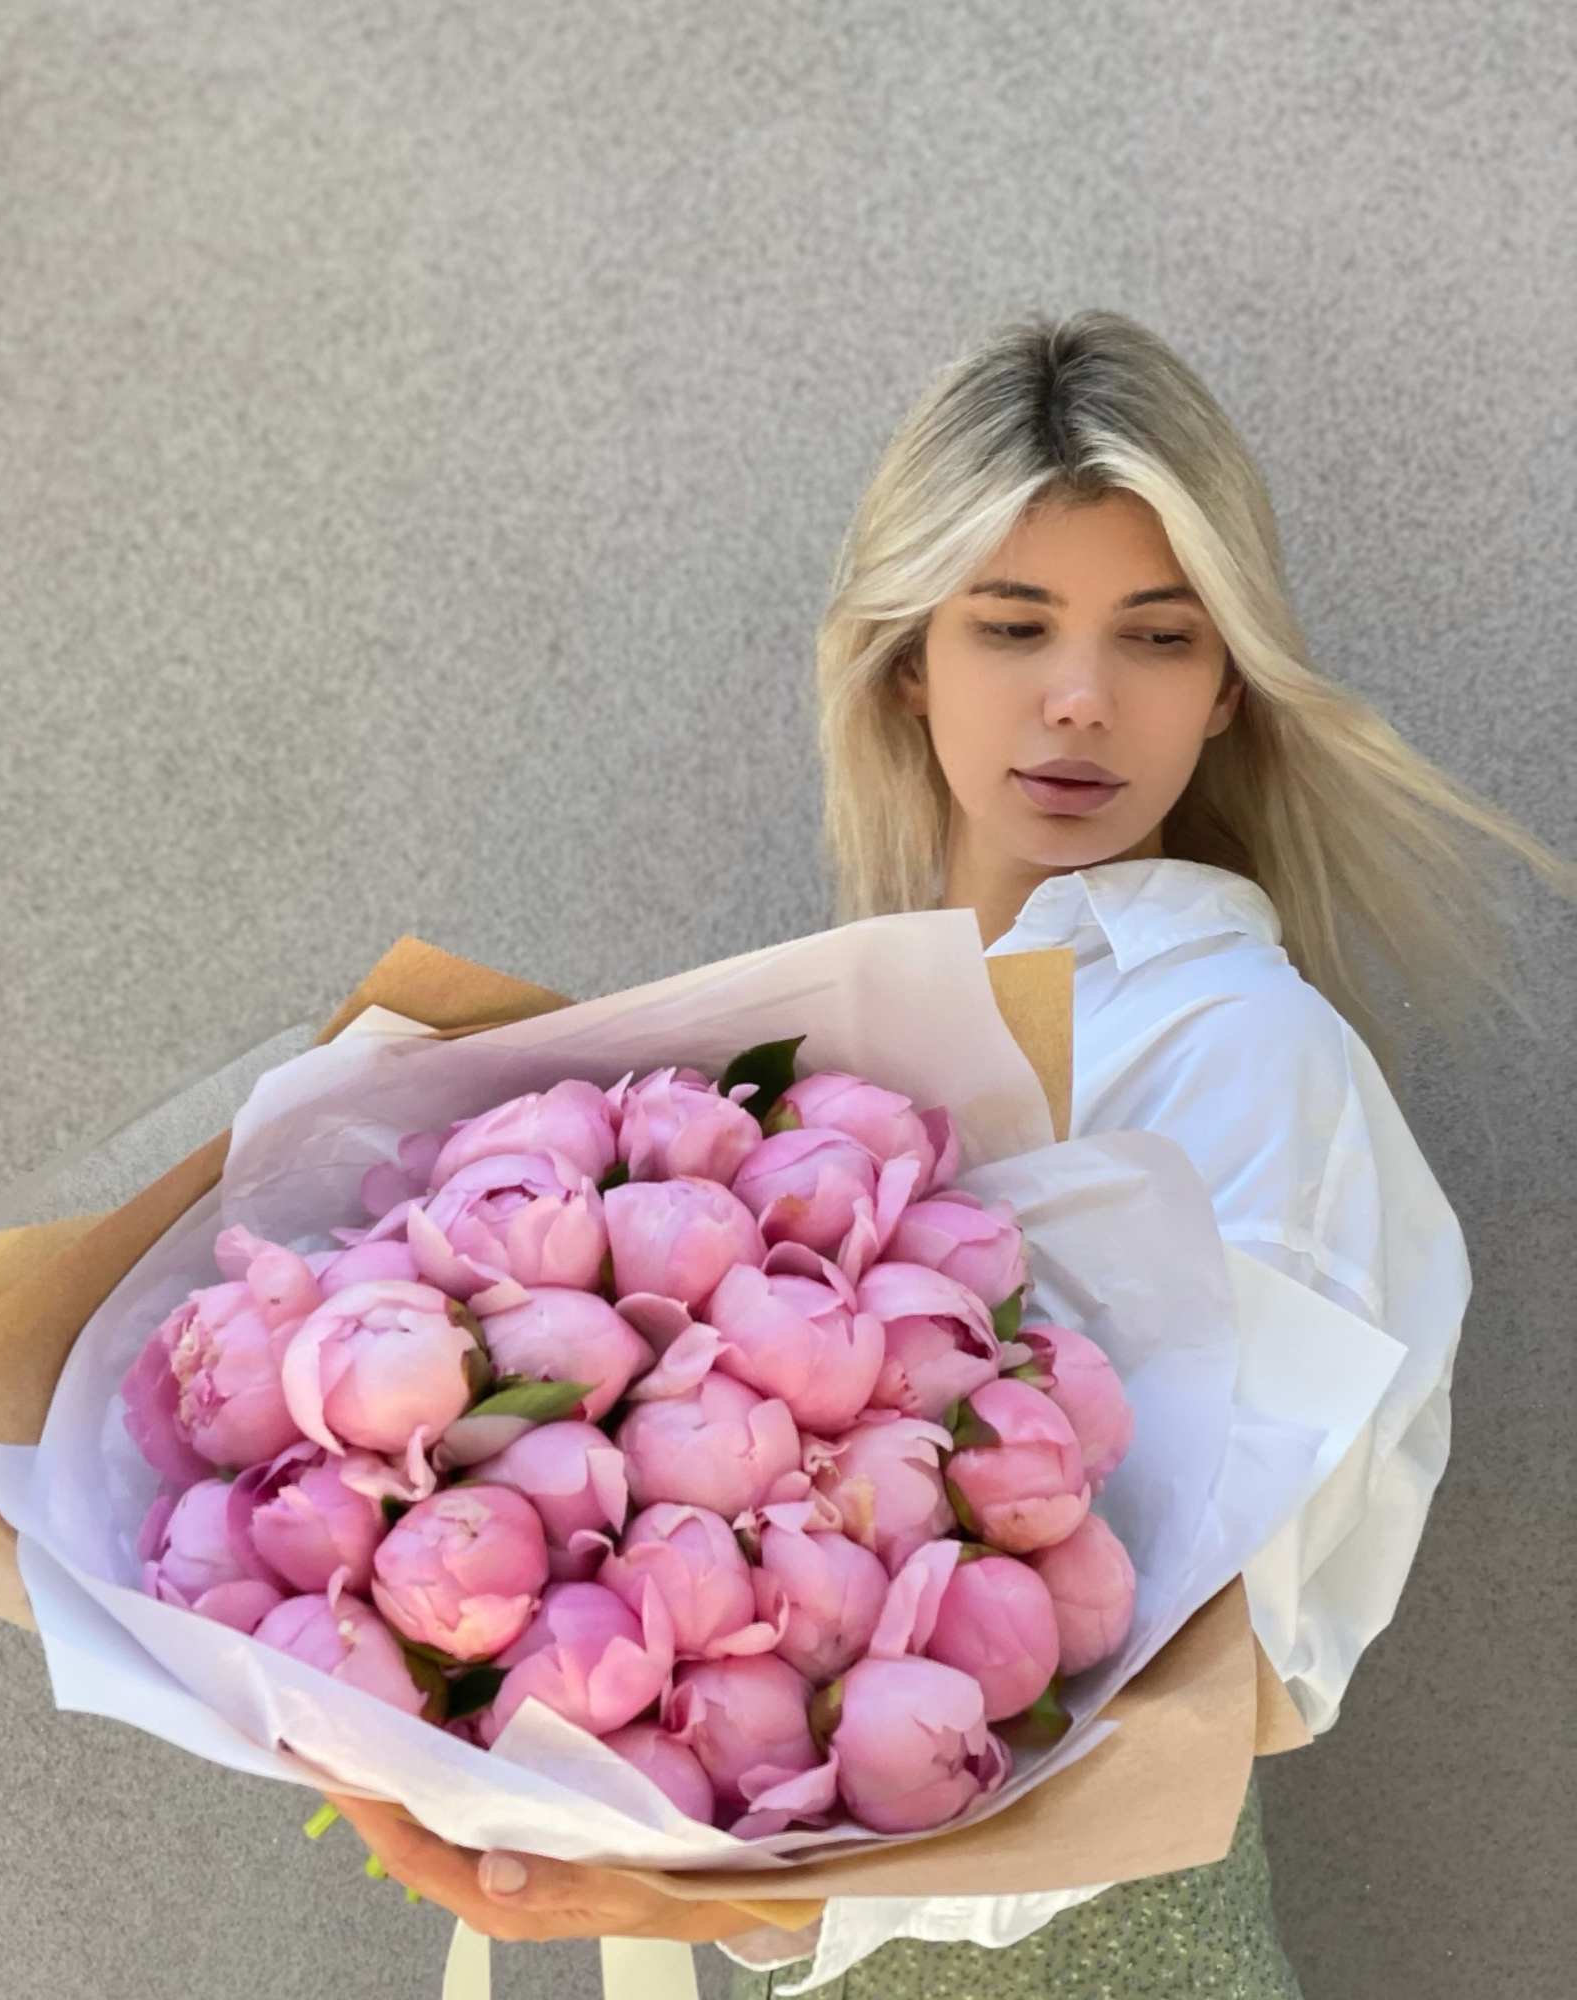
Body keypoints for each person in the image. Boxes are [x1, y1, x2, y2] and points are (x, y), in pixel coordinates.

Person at [328, 309, 1577, 1995]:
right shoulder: (837, 1049)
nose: (1080, 699)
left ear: (1225, 689)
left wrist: (715, 1895)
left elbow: (1201, 1691)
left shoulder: (1247, 1062)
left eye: (1157, 638)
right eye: (1012, 624)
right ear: (907, 658)